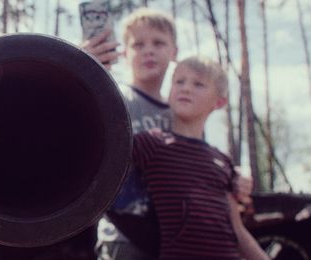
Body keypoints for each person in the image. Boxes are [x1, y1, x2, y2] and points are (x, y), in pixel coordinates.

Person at [81, 7, 254, 259]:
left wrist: (233, 175)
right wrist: (83, 68)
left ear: (174, 52)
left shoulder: (183, 112)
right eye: (138, 44)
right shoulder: (113, 98)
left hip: (171, 240)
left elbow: (199, 165)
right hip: (123, 236)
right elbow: (77, 130)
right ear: (125, 53)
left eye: (158, 43)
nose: (148, 50)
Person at [132, 56, 269, 259]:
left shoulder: (223, 161)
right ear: (169, 93)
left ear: (219, 102)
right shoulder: (153, 143)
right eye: (179, 81)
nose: (186, 88)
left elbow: (238, 231)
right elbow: (105, 151)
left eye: (198, 84)